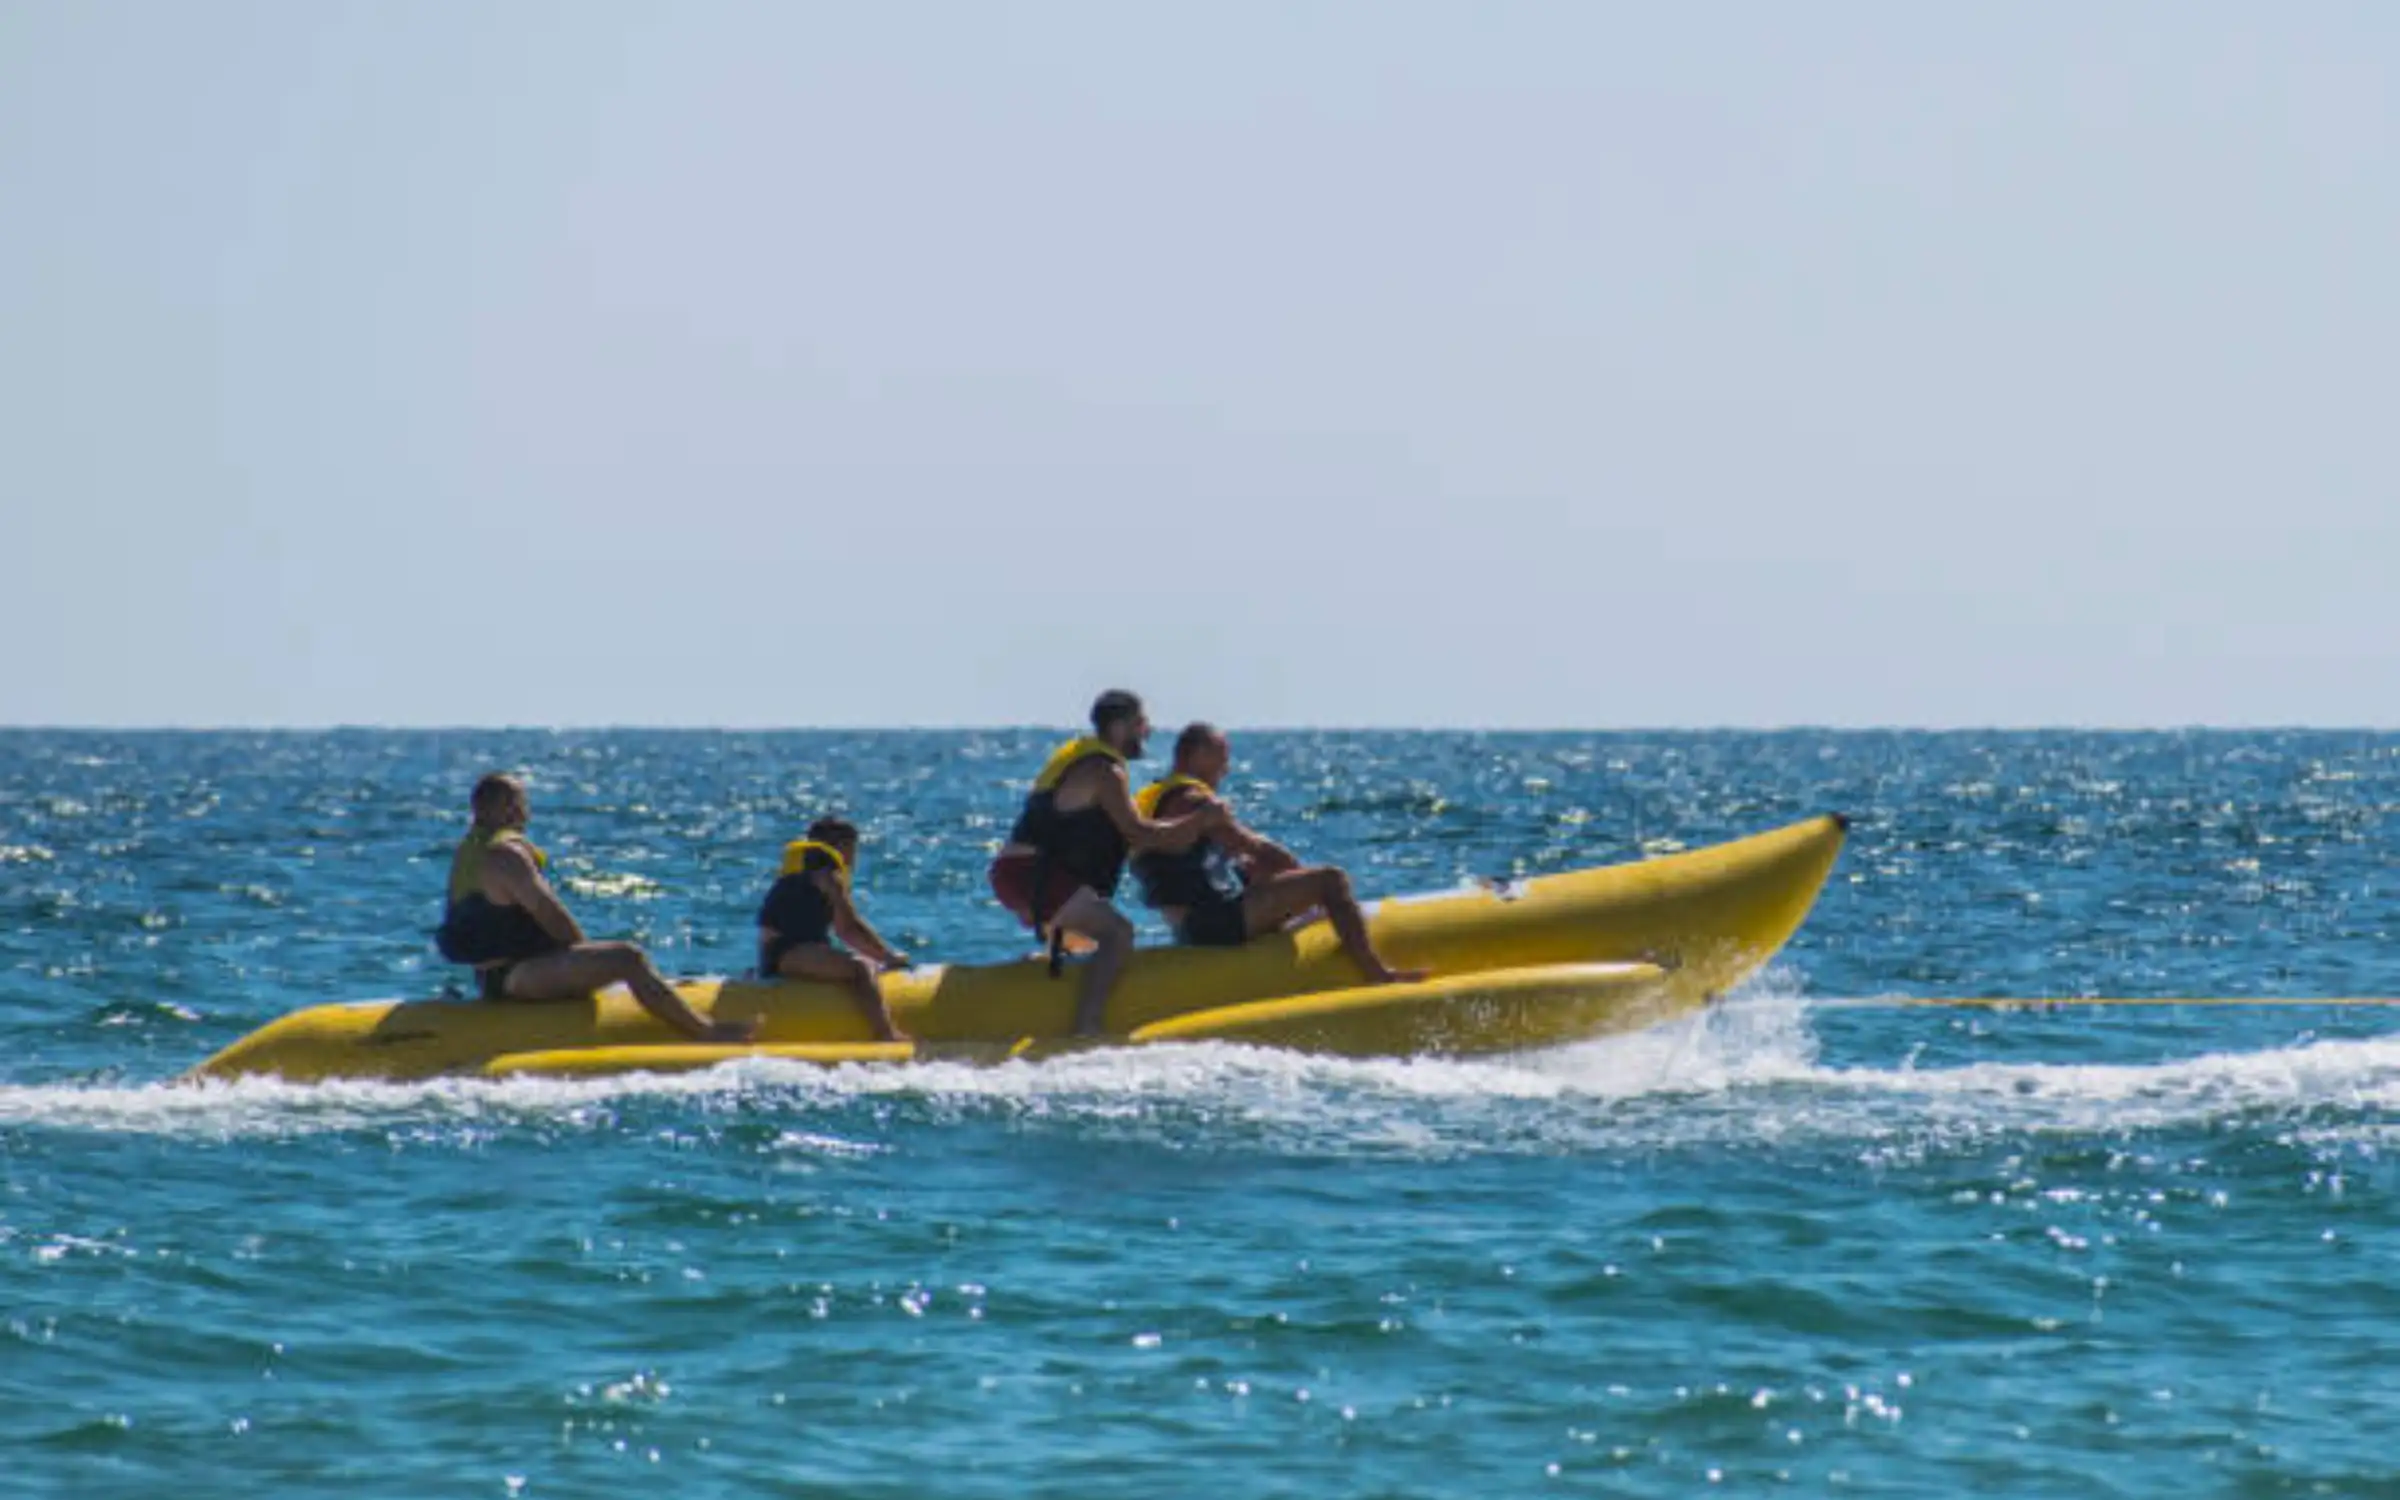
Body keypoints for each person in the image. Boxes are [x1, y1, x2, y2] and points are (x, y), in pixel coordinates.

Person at [434, 773, 755, 1042]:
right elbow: (552, 917)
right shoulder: (507, 855)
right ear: (510, 808)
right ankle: (705, 1031)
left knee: (611, 961)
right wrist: (585, 962)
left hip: (489, 976)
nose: (526, 814)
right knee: (627, 958)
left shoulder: (467, 853)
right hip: (519, 977)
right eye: (523, 804)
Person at [988, 690, 1228, 1035]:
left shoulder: (1085, 762)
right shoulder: (1104, 771)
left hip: (1020, 873)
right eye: (1141, 723)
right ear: (1119, 727)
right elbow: (1139, 834)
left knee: (1087, 943)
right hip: (1032, 875)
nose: (1147, 731)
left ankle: (1037, 995)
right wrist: (1200, 822)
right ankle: (1088, 1026)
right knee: (1118, 934)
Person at [1131, 723, 1427, 984]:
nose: (1226, 768)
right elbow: (1256, 848)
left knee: (1249, 871)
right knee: (1331, 880)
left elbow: (1203, 863)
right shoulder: (1193, 800)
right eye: (1222, 757)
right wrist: (1304, 884)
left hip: (1186, 928)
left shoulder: (1152, 797)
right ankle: (1377, 973)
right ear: (1198, 755)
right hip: (1214, 924)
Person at [756, 816, 909, 1042]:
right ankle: (885, 1035)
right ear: (842, 847)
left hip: (775, 953)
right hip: (789, 952)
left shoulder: (800, 871)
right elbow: (848, 929)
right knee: (860, 968)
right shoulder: (827, 875)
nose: (855, 858)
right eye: (854, 849)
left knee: (851, 963)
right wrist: (888, 957)